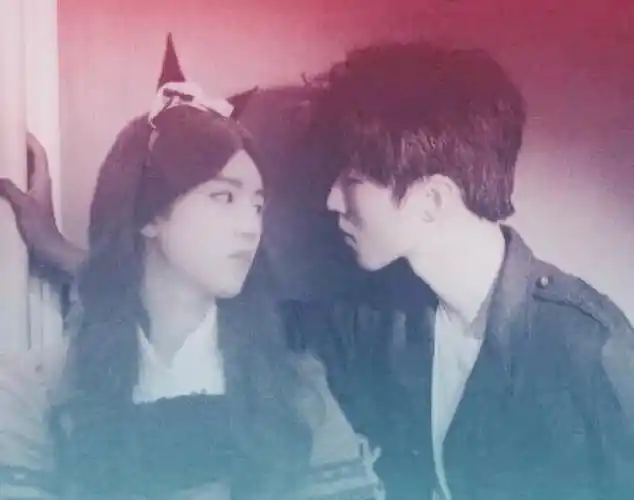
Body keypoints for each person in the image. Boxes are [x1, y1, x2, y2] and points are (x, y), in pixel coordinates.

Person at [0, 36, 385, 500]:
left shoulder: (298, 391)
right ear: (149, 216)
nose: (251, 226)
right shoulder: (38, 391)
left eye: (257, 205)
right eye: (223, 197)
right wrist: (52, 246)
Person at [296, 40, 634, 500]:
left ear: (433, 201)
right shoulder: (378, 318)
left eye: (353, 180)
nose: (331, 200)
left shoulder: (588, 346)